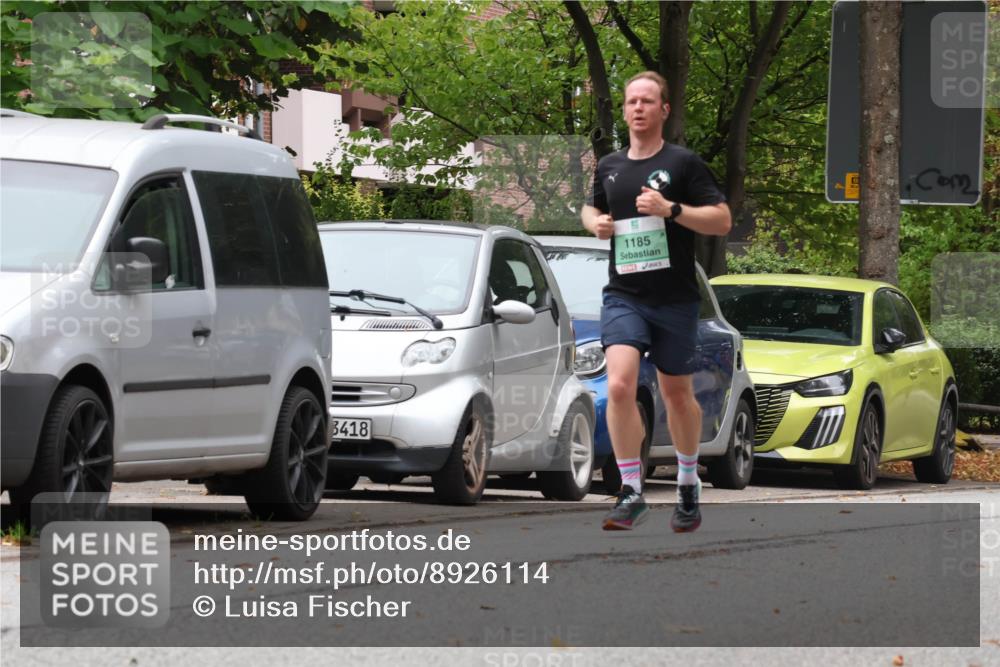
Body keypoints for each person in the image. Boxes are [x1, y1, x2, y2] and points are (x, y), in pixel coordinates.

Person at [580, 71, 732, 532]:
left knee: (676, 394)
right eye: (632, 102)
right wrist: (595, 224)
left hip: (674, 299)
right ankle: (631, 490)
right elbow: (591, 206)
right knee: (621, 386)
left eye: (648, 101)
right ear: (624, 110)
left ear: (664, 110)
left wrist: (673, 211)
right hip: (625, 294)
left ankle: (688, 482)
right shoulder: (609, 165)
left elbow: (722, 220)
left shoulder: (683, 164)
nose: (639, 108)